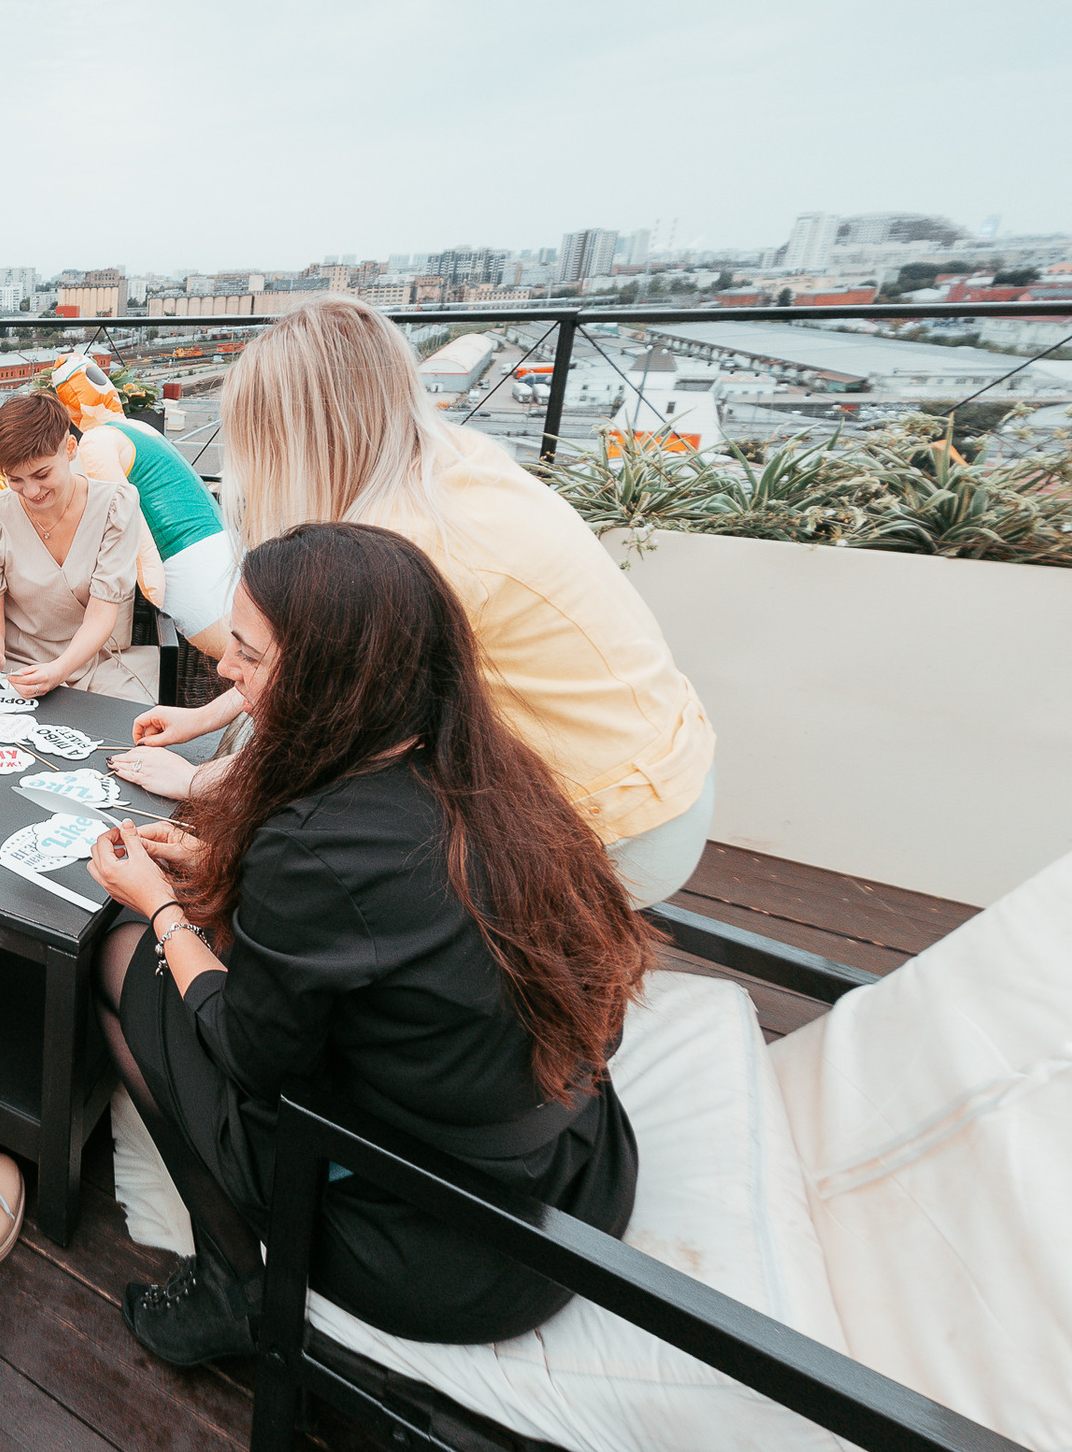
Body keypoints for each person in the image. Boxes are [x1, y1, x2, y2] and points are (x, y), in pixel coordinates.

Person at [83, 522, 657, 1365]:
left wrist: (161, 906)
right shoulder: (495, 773)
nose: (224, 672)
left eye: (246, 654)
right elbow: (396, 921)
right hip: (576, 1170)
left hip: (443, 1240)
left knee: (119, 954)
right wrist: (226, 867)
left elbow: (250, 1053)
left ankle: (230, 1280)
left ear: (328, 679)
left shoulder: (312, 843)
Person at [114, 296, 718, 904]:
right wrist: (204, 719)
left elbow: (325, 740)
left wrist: (201, 784)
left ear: (292, 439)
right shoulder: (453, 464)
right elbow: (293, 667)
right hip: (662, 771)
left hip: (607, 825)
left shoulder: (396, 550)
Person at [0, 391, 158, 700]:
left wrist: (57, 671)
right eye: (15, 480)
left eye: (42, 474)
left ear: (70, 448)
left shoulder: (115, 507)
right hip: (15, 662)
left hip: (95, 662)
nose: (32, 491)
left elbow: (102, 616)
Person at [49, 355, 235, 660]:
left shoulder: (97, 441)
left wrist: (150, 578)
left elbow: (125, 513)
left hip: (189, 562)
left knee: (251, 663)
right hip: (224, 540)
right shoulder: (138, 427)